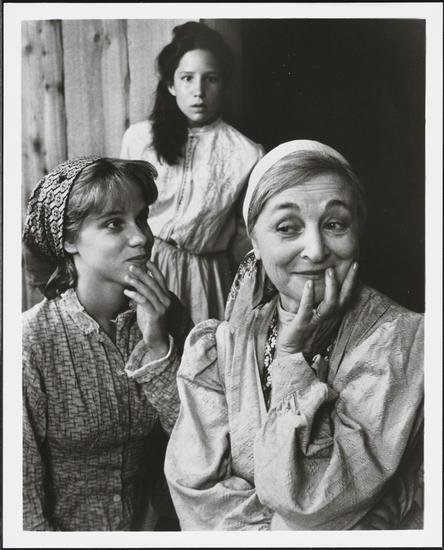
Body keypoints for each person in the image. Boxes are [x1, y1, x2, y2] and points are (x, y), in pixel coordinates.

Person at [164, 140, 424, 530]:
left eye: (335, 224)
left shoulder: (402, 341)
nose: (316, 250)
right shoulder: (223, 345)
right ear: (255, 241)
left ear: (358, 231)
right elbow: (196, 490)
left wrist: (291, 361)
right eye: (288, 228)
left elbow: (315, 501)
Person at [22, 157, 192, 531]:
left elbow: (200, 443)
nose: (141, 237)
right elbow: (21, 508)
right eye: (114, 223)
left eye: (141, 218)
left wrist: (158, 345)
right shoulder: (30, 343)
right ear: (68, 240)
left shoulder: (169, 315)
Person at [120, 21, 264, 324]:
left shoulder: (247, 153)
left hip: (205, 278)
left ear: (223, 84)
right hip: (145, 267)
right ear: (171, 84)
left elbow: (246, 238)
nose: (199, 91)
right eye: (187, 78)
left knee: (199, 348)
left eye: (210, 79)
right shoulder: (139, 139)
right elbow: (121, 214)